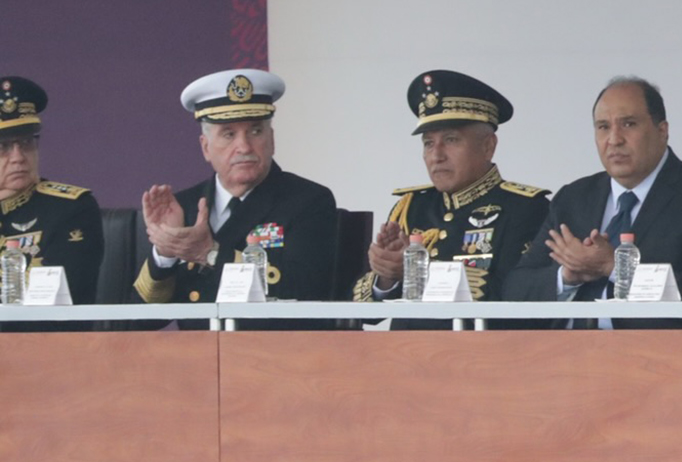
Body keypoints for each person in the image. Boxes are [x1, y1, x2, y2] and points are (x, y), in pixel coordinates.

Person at [504, 76, 682, 319]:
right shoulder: (573, 198)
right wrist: (567, 276)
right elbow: (515, 288)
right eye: (603, 127)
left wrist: (615, 268)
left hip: (656, 342)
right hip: (569, 341)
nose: (614, 140)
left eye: (629, 124)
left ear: (662, 131)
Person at [135, 69, 339, 303]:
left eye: (255, 131)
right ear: (205, 147)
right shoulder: (183, 208)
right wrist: (166, 252)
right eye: (229, 134)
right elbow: (140, 318)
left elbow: (305, 290)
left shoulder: (308, 200)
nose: (244, 147)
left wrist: (209, 253)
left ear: (272, 140)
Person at [358, 71, 549, 303]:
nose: (436, 156)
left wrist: (419, 272)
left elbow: (518, 294)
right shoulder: (411, 207)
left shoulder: (525, 208)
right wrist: (387, 276)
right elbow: (364, 309)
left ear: (488, 146)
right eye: (429, 143)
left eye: (451, 140)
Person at [0, 76, 104, 305]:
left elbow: (55, 300)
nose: (18, 157)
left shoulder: (70, 209)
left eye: (26, 143)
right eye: (3, 147)